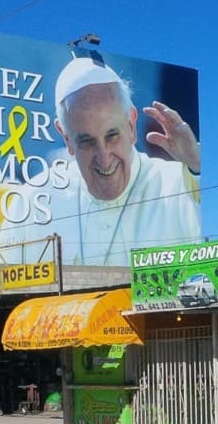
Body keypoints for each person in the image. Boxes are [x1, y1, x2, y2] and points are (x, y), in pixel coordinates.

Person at [48, 56, 202, 266]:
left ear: (131, 125)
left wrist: (198, 165)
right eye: (87, 142)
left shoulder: (178, 184)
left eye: (112, 136)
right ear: (66, 138)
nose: (104, 158)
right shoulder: (36, 200)